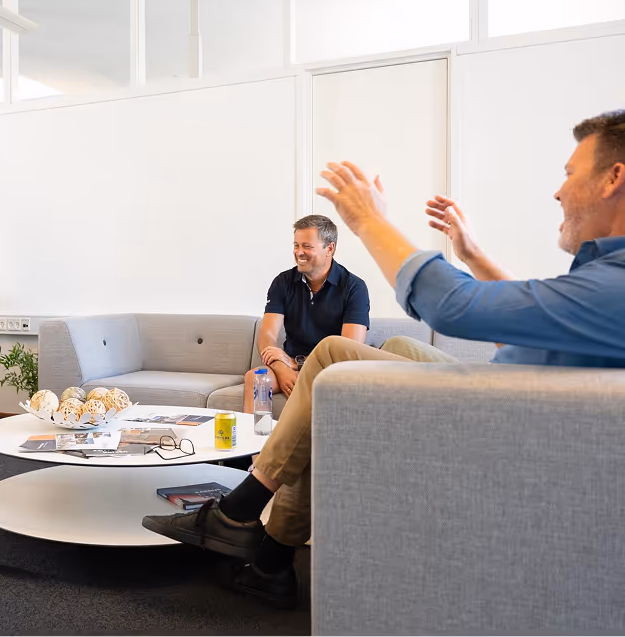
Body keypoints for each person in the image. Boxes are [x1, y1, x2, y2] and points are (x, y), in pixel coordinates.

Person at [142, 110, 625, 607]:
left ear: (613, 178)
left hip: (498, 417)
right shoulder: (603, 280)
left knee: (331, 358)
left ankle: (240, 512)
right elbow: (519, 325)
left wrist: (368, 219)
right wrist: (474, 255)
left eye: (569, 173)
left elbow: (449, 305)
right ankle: (269, 561)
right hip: (506, 391)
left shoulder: (613, 286)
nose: (558, 191)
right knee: (386, 355)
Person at [243, 214, 369, 414]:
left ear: (330, 248)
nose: (299, 252)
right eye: (296, 245)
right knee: (256, 378)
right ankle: (255, 443)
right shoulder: (282, 282)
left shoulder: (354, 287)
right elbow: (267, 335)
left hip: (330, 368)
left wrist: (296, 363)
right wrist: (281, 368)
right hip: (289, 365)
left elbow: (349, 350)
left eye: (307, 246)